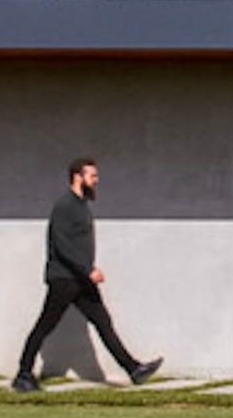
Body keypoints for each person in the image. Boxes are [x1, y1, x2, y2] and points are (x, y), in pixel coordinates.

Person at [12, 158, 164, 393]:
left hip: (80, 279)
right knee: (45, 324)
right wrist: (88, 269)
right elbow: (62, 245)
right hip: (64, 278)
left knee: (103, 322)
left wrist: (86, 271)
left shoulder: (81, 205)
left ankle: (134, 369)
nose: (96, 180)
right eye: (92, 176)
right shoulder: (65, 206)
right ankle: (23, 374)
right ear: (78, 177)